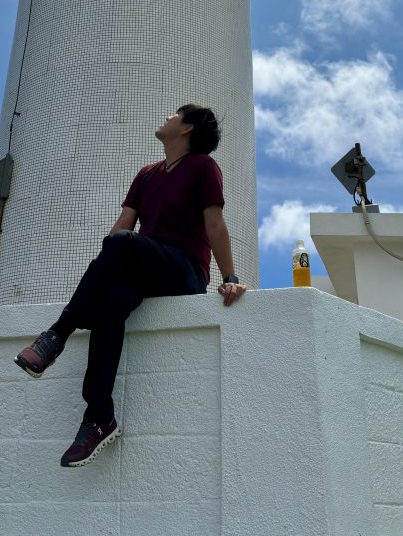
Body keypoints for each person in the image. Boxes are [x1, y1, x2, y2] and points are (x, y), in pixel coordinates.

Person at [15, 103, 247, 467]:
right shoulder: (146, 175)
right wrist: (101, 274)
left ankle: (57, 334)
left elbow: (215, 224)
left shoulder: (203, 166)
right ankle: (98, 418)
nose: (167, 116)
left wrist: (230, 277)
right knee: (112, 302)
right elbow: (120, 229)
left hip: (184, 271)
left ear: (187, 128)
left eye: (175, 114)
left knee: (123, 244)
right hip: (143, 269)